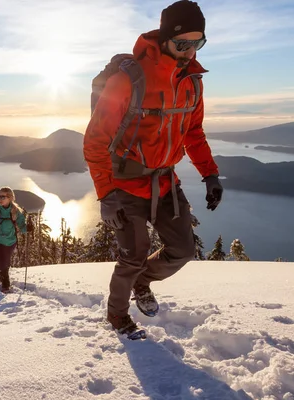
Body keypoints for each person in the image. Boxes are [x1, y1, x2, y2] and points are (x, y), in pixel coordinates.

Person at [83, 0, 223, 336]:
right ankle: (117, 315)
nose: (189, 52)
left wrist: (210, 173)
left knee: (183, 249)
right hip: (125, 185)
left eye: (197, 43)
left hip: (164, 183)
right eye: (182, 43)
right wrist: (107, 194)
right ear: (164, 39)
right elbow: (95, 142)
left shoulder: (192, 82)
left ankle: (142, 281)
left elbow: (193, 132)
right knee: (132, 256)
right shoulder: (127, 80)